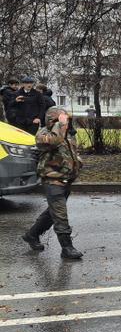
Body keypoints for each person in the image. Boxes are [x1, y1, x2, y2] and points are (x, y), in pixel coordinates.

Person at [22, 106, 84, 260]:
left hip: (66, 179)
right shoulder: (43, 134)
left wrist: (78, 162)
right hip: (52, 180)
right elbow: (53, 142)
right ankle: (67, 247)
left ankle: (32, 235)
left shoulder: (67, 134)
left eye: (66, 119)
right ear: (52, 120)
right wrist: (61, 125)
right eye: (61, 119)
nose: (66, 122)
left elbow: (71, 152)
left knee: (52, 213)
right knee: (60, 215)